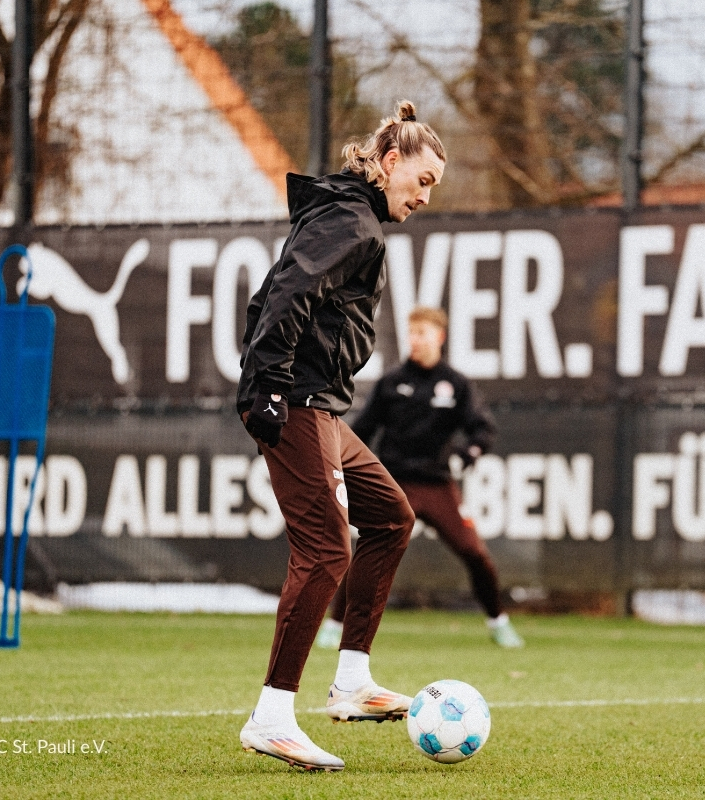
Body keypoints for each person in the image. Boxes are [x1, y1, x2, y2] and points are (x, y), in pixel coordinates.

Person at [235, 101, 445, 772]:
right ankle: (272, 717)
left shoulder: (353, 219)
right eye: (423, 179)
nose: (424, 195)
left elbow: (281, 289)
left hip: (321, 406)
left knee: (390, 518)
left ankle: (352, 681)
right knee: (326, 552)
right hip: (294, 401)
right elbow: (287, 290)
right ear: (391, 163)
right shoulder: (353, 221)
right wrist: (267, 381)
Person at [315, 306, 525, 651]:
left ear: (439, 337)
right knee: (371, 551)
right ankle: (334, 625)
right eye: (411, 333)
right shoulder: (392, 382)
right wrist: (338, 464)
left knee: (474, 553)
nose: (415, 340)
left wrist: (468, 452)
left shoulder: (456, 384)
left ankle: (498, 621)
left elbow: (482, 428)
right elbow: (362, 431)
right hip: (394, 483)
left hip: (439, 485)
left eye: (422, 333)